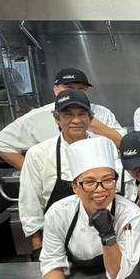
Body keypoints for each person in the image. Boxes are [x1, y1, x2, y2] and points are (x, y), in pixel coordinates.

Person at [41, 137, 140, 279]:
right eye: (89, 182)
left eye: (107, 180)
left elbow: (118, 274)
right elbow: (52, 261)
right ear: (75, 187)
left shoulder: (129, 213)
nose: (100, 189)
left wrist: (107, 233)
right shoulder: (58, 213)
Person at [19, 90, 103, 260]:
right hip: (56, 241)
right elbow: (30, 201)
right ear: (57, 119)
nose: (76, 120)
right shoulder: (39, 154)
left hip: (100, 239)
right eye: (68, 115)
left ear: (90, 118)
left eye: (82, 114)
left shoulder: (103, 147)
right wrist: (38, 245)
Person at [0, 68, 125, 169]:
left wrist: (94, 124)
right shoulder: (38, 117)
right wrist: (32, 172)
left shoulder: (102, 113)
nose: (74, 92)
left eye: (80, 89)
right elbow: (0, 143)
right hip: (58, 182)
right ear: (55, 89)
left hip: (98, 181)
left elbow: (123, 144)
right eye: (68, 87)